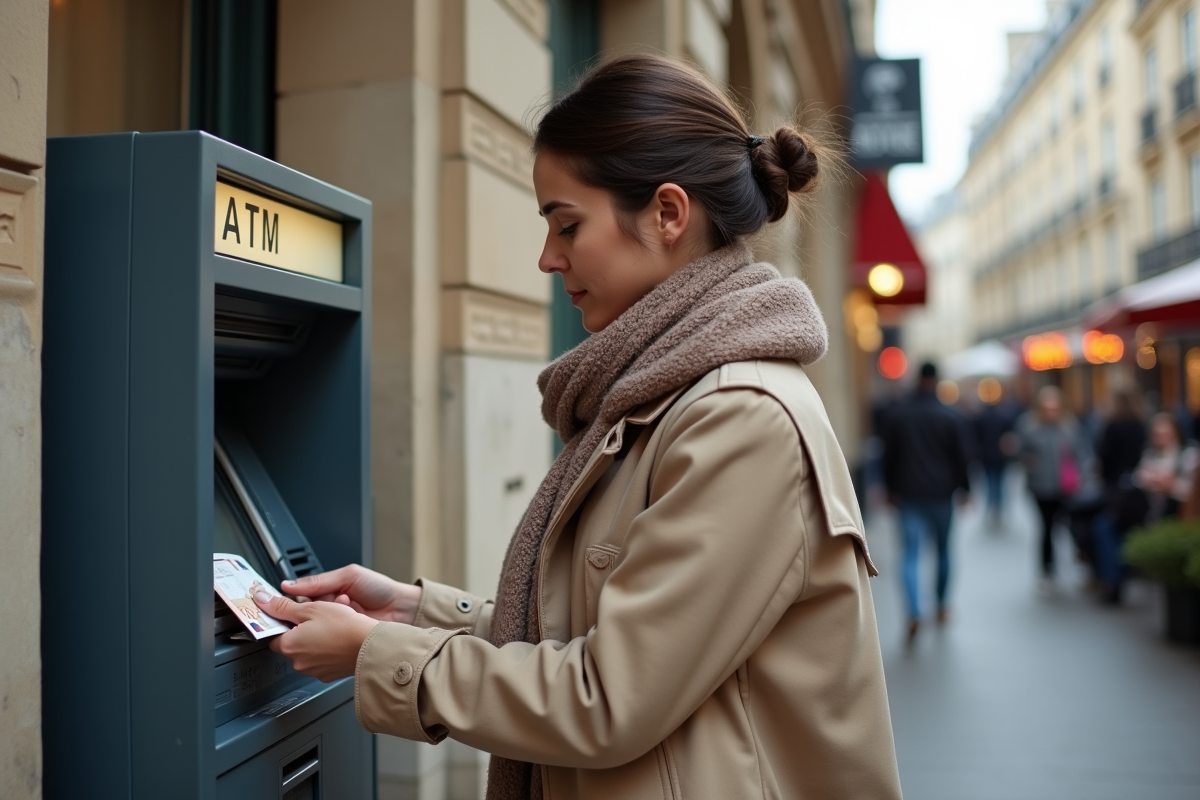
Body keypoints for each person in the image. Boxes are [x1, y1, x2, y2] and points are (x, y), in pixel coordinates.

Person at [250, 55, 902, 800]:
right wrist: (413, 610)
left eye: (568, 224)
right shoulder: (669, 393)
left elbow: (608, 695)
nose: (547, 258)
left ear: (666, 213)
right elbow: (607, 634)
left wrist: (383, 655)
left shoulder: (738, 419)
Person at [882, 361, 972, 643]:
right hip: (942, 495)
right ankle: (942, 606)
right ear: (937, 381)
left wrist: (888, 488)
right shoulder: (951, 416)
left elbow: (888, 457)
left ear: (917, 379)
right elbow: (962, 457)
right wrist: (966, 489)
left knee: (910, 555)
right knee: (943, 552)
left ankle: (914, 611)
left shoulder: (898, 415)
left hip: (908, 495)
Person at [1016, 385, 1093, 593]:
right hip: (1040, 486)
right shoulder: (1029, 426)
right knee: (1046, 528)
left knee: (1072, 526)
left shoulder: (1069, 427)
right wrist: (1027, 461)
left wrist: (1083, 475)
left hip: (1066, 486)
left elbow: (1081, 453)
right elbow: (1019, 452)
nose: (1051, 411)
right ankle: (1047, 570)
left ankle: (1081, 564)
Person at [1091, 390, 1147, 604]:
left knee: (1105, 529)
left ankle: (1113, 580)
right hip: (1137, 491)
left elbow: (1104, 458)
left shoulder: (1112, 426)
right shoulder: (1141, 425)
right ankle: (1123, 575)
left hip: (1116, 490)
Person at [1133, 412, 1199, 523]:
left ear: (1175, 433)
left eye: (1165, 434)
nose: (1161, 438)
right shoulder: (1149, 454)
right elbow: (1137, 477)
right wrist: (1148, 480)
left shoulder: (1189, 455)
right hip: (1151, 513)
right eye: (1157, 434)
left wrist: (1172, 485)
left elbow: (1194, 492)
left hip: (1178, 515)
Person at [971, 386, 1017, 530]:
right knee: (1000, 485)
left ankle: (990, 511)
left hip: (985, 457)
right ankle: (998, 512)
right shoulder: (1005, 418)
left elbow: (974, 439)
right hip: (1000, 458)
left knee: (989, 484)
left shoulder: (979, 418)